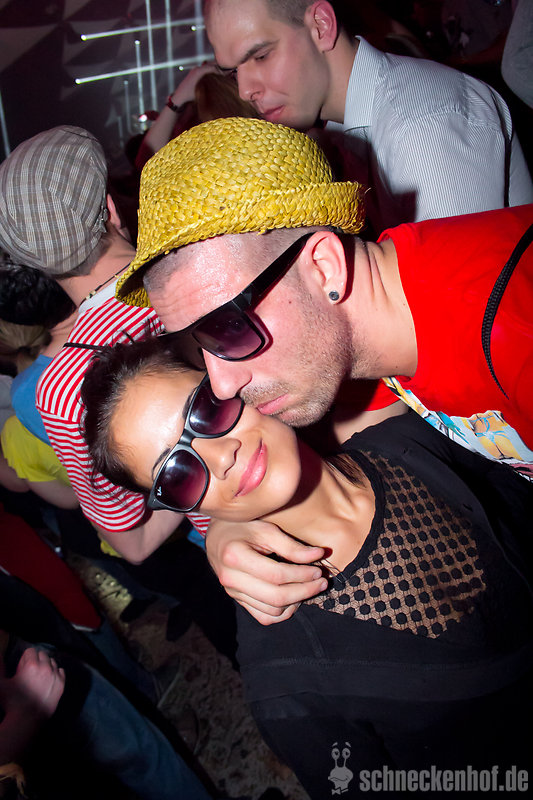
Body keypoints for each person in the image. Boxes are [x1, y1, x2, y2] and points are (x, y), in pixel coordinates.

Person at [115, 116, 533, 624]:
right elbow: (355, 447)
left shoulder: (515, 328)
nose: (221, 385)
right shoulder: (377, 327)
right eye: (199, 345)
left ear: (325, 267)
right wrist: (228, 524)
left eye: (228, 327)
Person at [79, 337, 533, 799]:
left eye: (206, 411)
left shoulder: (408, 440)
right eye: (178, 473)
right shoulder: (288, 683)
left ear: (232, 384)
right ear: (180, 506)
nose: (221, 455)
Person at [202, 0, 533, 231]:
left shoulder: (423, 125)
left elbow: (455, 303)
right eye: (233, 72)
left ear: (321, 26)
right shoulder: (346, 128)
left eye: (261, 56)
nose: (244, 90)